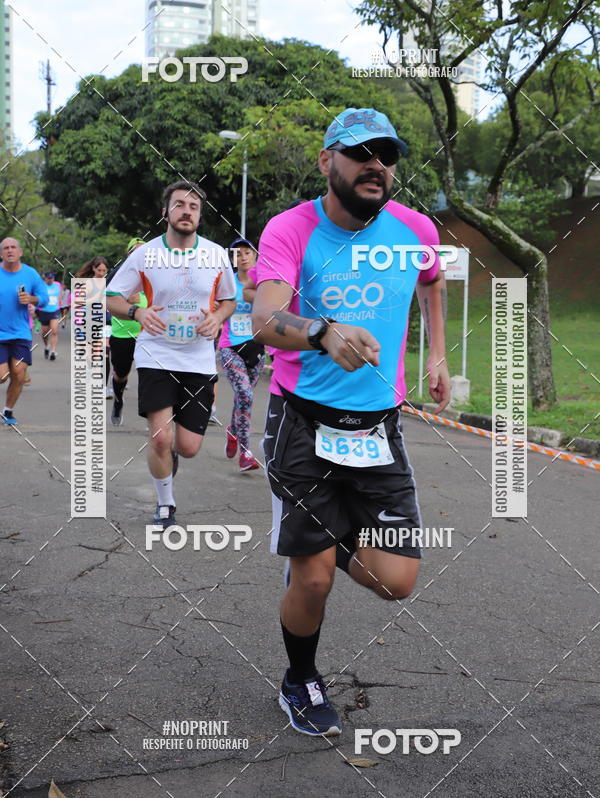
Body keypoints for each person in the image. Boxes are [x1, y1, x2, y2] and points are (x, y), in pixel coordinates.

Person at [252, 107, 451, 737]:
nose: (376, 165)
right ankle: (299, 681)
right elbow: (262, 320)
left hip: (377, 427)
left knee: (397, 580)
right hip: (302, 421)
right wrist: (320, 332)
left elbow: (432, 278)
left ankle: (314, 539)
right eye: (360, 152)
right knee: (312, 578)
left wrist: (438, 350)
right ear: (326, 161)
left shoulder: (414, 227)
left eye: (386, 155)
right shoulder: (290, 230)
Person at [107, 180, 236, 527]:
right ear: (166, 212)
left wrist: (218, 318)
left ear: (200, 216)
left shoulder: (215, 254)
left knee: (189, 446)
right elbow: (111, 297)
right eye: (180, 204)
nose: (187, 211)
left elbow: (229, 299)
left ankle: (170, 454)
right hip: (156, 355)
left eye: (194, 207)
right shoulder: (145, 254)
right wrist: (137, 313)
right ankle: (165, 504)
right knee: (160, 437)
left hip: (197, 359)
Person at [217, 237, 265, 471]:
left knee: (242, 399)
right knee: (245, 394)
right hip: (230, 347)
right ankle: (246, 454)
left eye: (247, 252)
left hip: (257, 349)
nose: (243, 256)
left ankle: (233, 430)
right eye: (237, 253)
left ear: (256, 256)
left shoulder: (264, 284)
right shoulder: (227, 283)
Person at [0, 237, 49, 424]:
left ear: (20, 252)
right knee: (2, 376)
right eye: (6, 248)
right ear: (1, 253)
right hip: (0, 334)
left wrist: (32, 299)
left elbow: (44, 298)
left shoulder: (30, 274)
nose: (10, 250)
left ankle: (8, 411)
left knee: (19, 373)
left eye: (13, 247)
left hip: (20, 333)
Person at [109, 238, 147, 426]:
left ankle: (155, 417)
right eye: (136, 251)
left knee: (151, 374)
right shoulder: (119, 275)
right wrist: (123, 302)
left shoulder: (158, 273)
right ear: (129, 254)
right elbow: (104, 301)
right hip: (123, 333)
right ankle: (118, 400)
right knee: (121, 374)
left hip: (149, 334)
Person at [76, 257, 112, 396]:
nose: (102, 272)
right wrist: (96, 298)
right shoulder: (88, 284)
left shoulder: (109, 282)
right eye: (99, 270)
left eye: (104, 270)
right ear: (93, 269)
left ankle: (103, 387)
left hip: (106, 322)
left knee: (105, 353)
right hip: (90, 323)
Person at [37, 272, 62, 360]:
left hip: (54, 311)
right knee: (44, 333)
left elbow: (60, 295)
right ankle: (47, 346)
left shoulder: (58, 285)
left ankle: (53, 351)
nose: (50, 280)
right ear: (45, 278)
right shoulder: (41, 286)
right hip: (43, 311)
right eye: (48, 278)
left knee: (54, 331)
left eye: (52, 278)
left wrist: (59, 304)